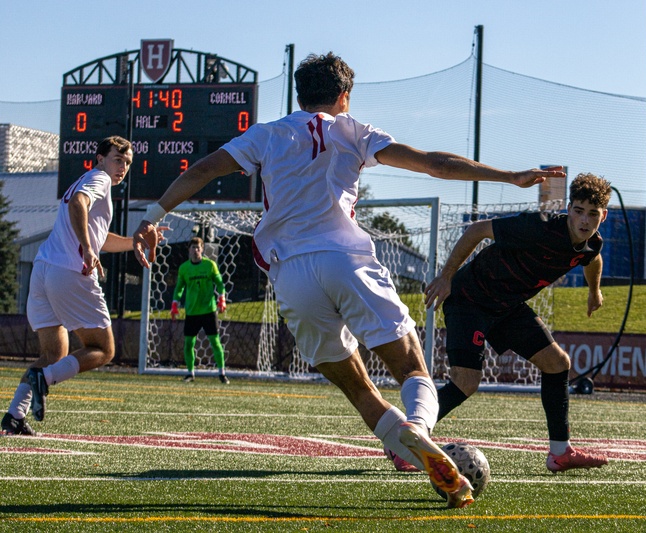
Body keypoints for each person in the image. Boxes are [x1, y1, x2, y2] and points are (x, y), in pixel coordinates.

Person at [132, 52, 565, 508]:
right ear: (344, 96)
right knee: (413, 368)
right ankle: (417, 428)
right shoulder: (353, 130)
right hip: (346, 260)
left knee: (358, 388)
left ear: (300, 95)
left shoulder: (268, 134)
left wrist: (153, 215)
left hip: (292, 274)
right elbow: (434, 163)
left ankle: (411, 447)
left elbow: (202, 170)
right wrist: (510, 175)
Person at [423, 173, 611, 473]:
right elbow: (476, 230)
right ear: (569, 208)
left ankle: (560, 454)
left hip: (507, 306)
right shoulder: (537, 227)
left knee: (557, 363)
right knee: (466, 383)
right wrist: (445, 276)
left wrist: (594, 291)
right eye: (578, 211)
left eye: (592, 214)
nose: (584, 221)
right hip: (470, 297)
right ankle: (407, 442)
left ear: (603, 215)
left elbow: (593, 260)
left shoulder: (591, 244)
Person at [1, 136, 166, 436]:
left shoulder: (87, 180)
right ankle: (44, 380)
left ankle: (14, 415)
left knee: (54, 354)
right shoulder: (99, 178)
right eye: (118, 159)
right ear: (100, 158)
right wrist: (88, 249)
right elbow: (80, 205)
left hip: (44, 269)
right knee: (103, 349)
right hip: (70, 272)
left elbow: (98, 234)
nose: (123, 167)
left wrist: (134, 242)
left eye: (128, 163)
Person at [171, 237, 229, 384]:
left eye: (198, 248)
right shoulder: (184, 268)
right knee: (189, 343)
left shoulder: (210, 265)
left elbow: (220, 284)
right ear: (188, 250)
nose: (195, 250)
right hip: (192, 312)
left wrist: (222, 298)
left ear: (202, 249)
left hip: (209, 310)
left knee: (215, 342)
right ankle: (190, 373)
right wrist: (174, 303)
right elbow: (179, 288)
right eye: (193, 248)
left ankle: (222, 374)